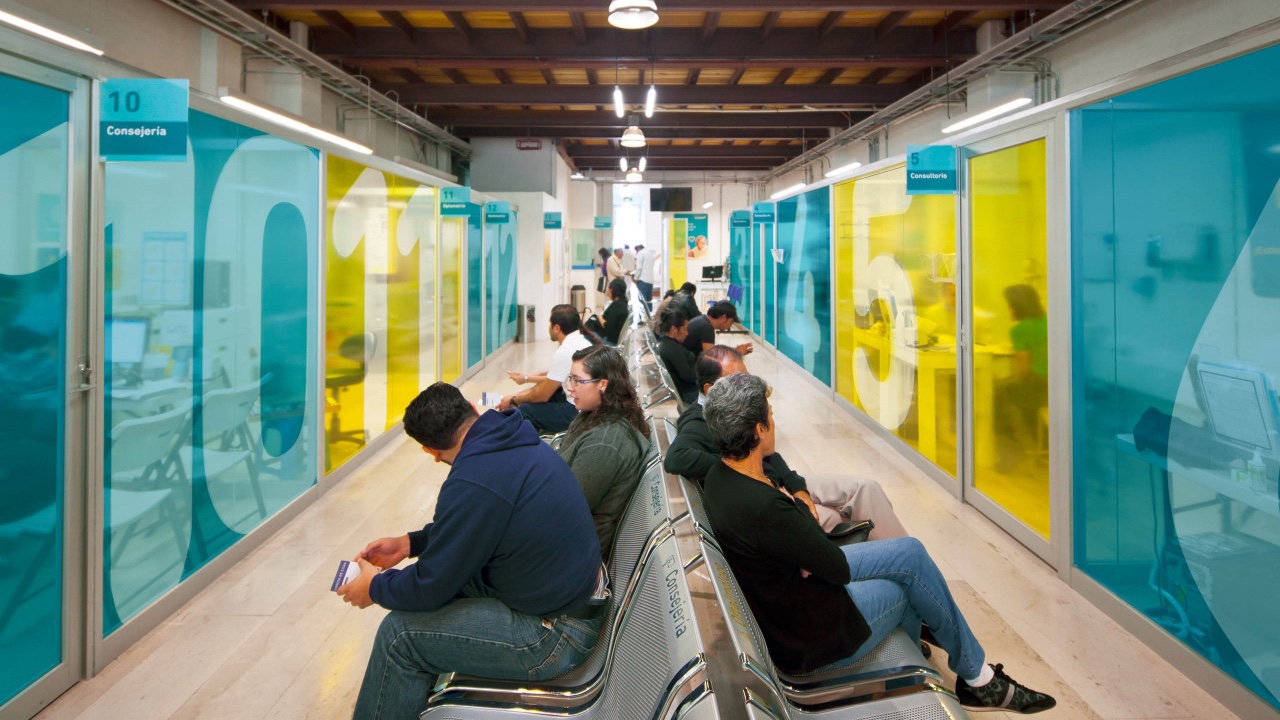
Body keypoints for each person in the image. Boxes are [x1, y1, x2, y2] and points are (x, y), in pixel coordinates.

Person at [700, 374, 1056, 714]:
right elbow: (833, 565)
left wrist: (803, 538)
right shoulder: (763, 504)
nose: (775, 423)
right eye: (771, 416)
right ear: (758, 430)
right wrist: (798, 515)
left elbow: (812, 550)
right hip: (811, 636)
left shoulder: (721, 476)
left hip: (797, 596)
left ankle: (972, 675)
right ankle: (940, 684)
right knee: (906, 588)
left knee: (912, 554)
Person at [340, 383, 605, 720]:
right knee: (444, 594)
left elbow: (430, 584)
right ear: (470, 407)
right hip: (570, 599)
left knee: (398, 636)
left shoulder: (474, 477)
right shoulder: (510, 437)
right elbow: (481, 524)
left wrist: (374, 588)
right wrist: (411, 543)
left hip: (552, 637)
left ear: (430, 451)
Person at [664, 345, 907, 540]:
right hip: (769, 493)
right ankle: (898, 561)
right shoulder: (698, 421)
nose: (747, 386)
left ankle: (900, 553)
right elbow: (677, 457)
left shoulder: (734, 410)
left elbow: (769, 455)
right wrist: (742, 471)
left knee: (866, 488)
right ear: (710, 388)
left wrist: (798, 488)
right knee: (831, 518)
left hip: (782, 481)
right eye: (737, 381)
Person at [558, 345, 652, 562]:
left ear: (602, 384)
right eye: (570, 379)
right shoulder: (593, 415)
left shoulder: (605, 443)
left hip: (571, 554)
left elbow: (567, 510)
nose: (570, 388)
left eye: (578, 381)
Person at [499, 303, 593, 434]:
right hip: (585, 404)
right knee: (544, 396)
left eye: (549, 324)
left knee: (526, 411)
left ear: (556, 328)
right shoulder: (579, 341)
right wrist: (516, 394)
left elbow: (543, 394)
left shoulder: (566, 351)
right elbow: (551, 379)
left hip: (578, 411)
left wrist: (513, 400)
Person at [994, 284, 1049, 473]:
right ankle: (1038, 442)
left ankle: (1009, 454)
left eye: (1009, 305)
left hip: (1037, 385)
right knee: (1008, 387)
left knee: (999, 391)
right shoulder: (1048, 322)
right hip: (1054, 385)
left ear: (1017, 306)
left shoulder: (1020, 330)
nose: (1008, 309)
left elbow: (1023, 370)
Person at [654, 306, 699, 406]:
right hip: (688, 394)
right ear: (674, 329)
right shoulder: (673, 350)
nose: (687, 333)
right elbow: (687, 375)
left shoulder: (666, 344)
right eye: (685, 329)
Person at [681, 300, 752, 357]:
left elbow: (713, 351)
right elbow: (713, 359)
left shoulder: (703, 321)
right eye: (731, 321)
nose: (730, 325)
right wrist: (736, 353)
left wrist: (734, 350)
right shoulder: (706, 328)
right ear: (724, 317)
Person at [584, 278, 629, 346]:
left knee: (583, 334)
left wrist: (600, 317)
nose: (607, 291)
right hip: (609, 336)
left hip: (607, 339)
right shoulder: (622, 303)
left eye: (608, 288)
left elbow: (607, 326)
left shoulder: (618, 307)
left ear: (612, 290)